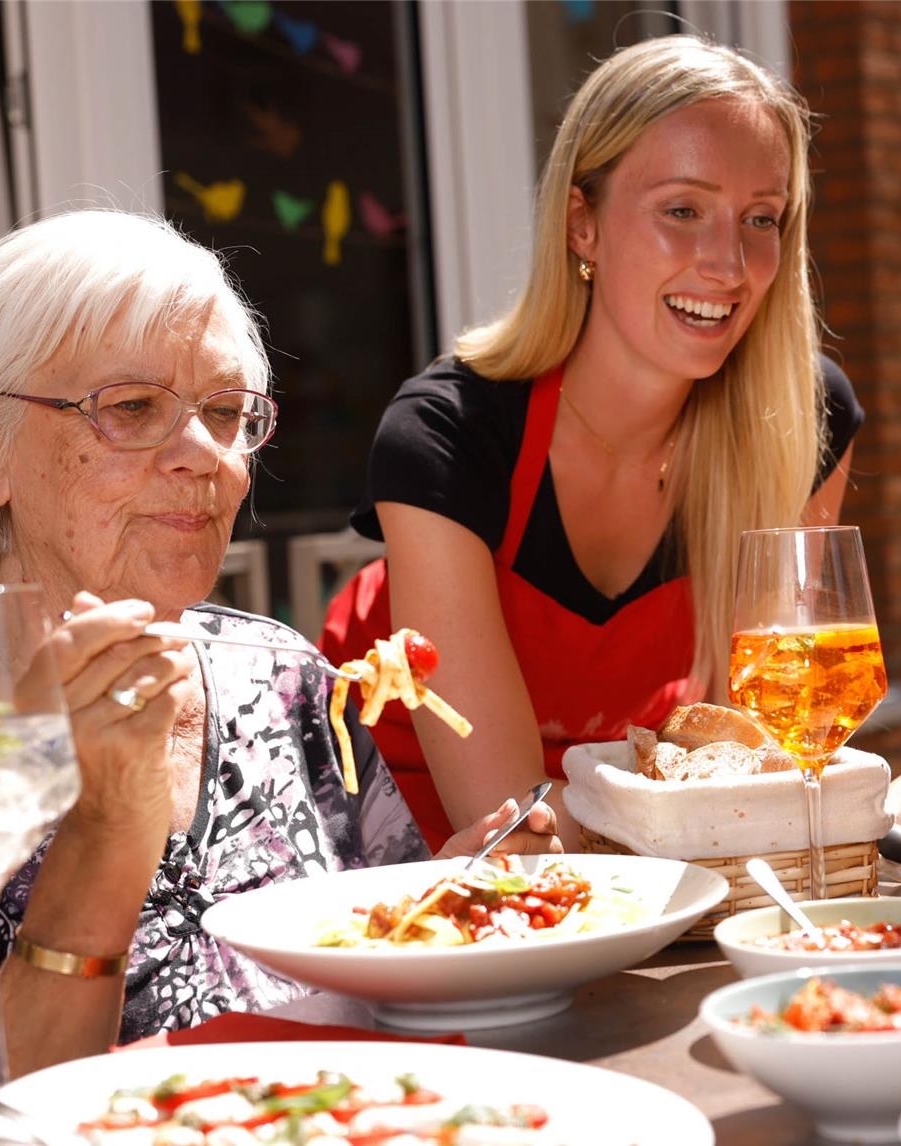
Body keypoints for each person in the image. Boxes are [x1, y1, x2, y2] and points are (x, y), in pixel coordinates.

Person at [0, 210, 557, 1128]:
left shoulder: (286, 679)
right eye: (133, 408)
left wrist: (451, 918)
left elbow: (391, 988)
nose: (207, 457)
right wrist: (110, 828)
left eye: (227, 414)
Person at [333, 35, 863, 850]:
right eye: (682, 210)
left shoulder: (801, 421)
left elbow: (756, 765)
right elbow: (514, 830)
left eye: (762, 218)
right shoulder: (445, 436)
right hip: (412, 844)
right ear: (583, 224)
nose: (727, 263)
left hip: (647, 853)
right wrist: (698, 823)